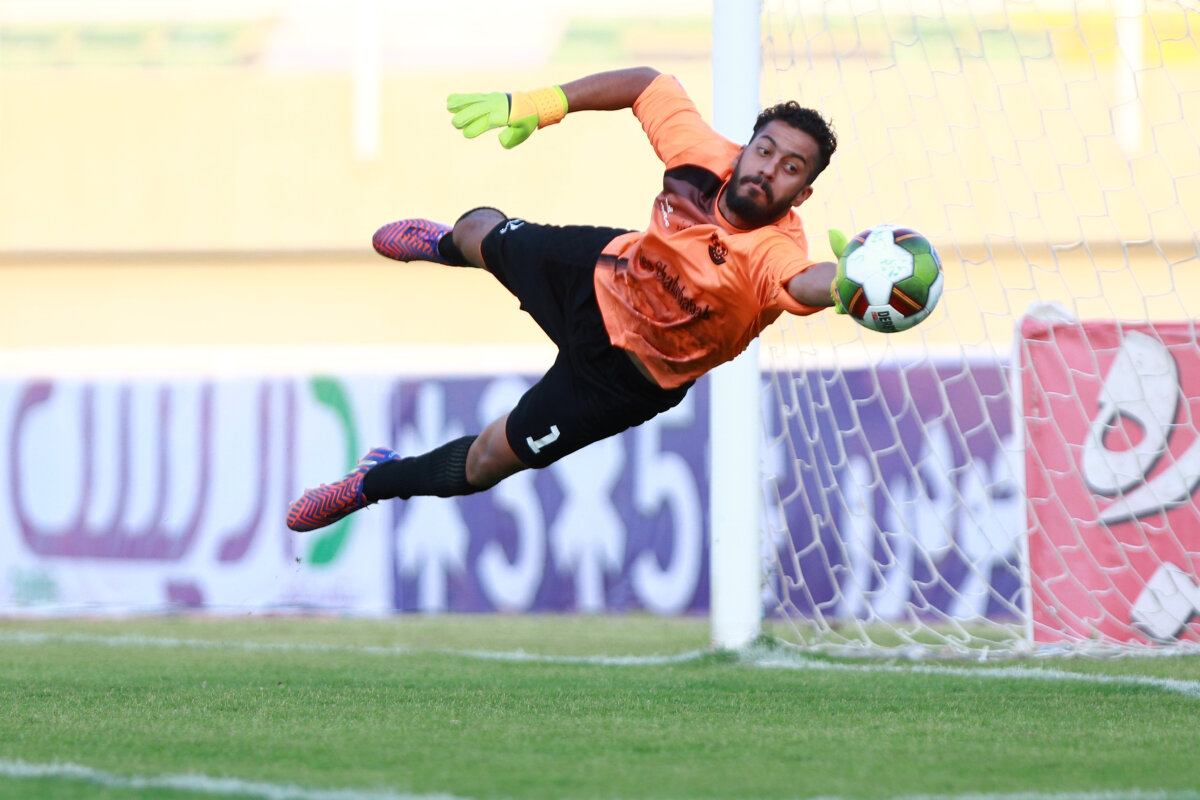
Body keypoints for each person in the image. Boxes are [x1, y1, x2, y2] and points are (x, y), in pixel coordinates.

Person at [286, 66, 840, 532]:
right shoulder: (700, 155)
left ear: (803, 193)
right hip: (602, 277)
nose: (769, 169)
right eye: (765, 151)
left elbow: (804, 282)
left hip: (624, 380)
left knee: (484, 463)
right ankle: (448, 246)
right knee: (477, 230)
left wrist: (850, 286)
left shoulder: (774, 251)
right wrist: (540, 103)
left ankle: (372, 481)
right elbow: (647, 84)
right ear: (745, 149)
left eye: (790, 168)